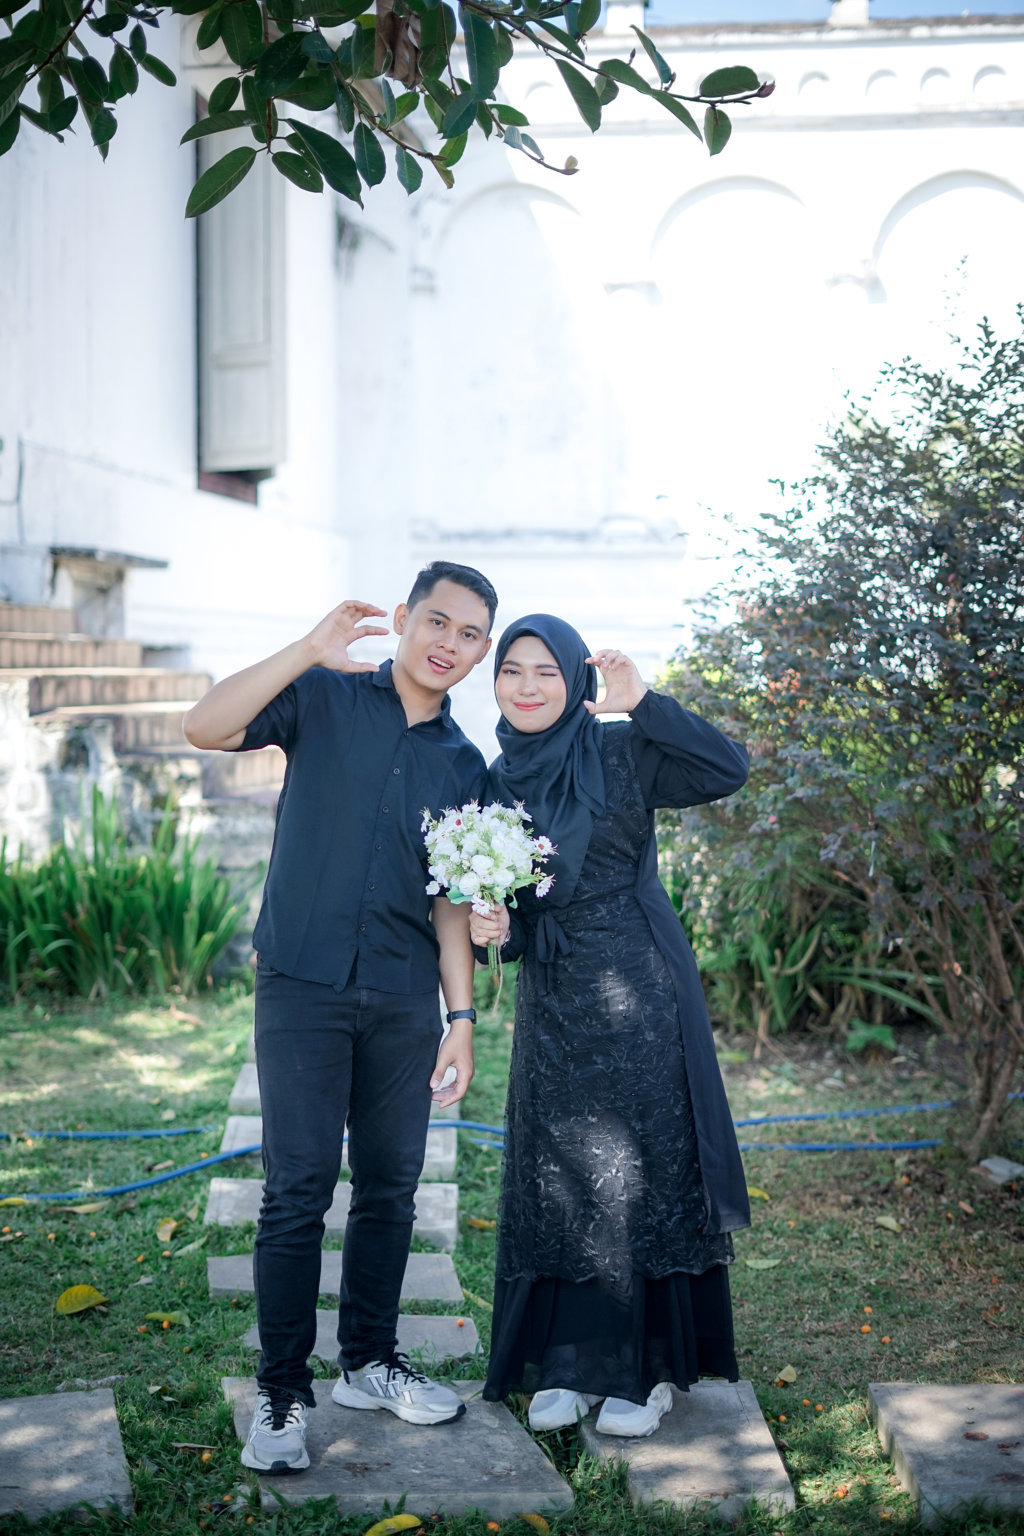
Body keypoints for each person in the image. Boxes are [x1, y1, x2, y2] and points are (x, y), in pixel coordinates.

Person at [183, 561, 497, 1475]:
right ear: (402, 619)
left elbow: (449, 904)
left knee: (392, 1187)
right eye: (436, 622)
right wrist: (306, 649)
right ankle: (282, 1392)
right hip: (301, 984)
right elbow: (203, 726)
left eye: (469, 634)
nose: (448, 644)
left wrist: (462, 1015)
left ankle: (369, 1360)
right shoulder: (321, 696)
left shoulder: (464, 764)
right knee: (298, 1190)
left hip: (402, 995)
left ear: (480, 652)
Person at [469, 614, 750, 1439]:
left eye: (546, 672)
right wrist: (497, 930)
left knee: (639, 1170)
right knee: (559, 1172)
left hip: (639, 987)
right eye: (512, 670)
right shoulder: (498, 779)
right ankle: (568, 1361)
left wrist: (645, 701)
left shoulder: (620, 749)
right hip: (554, 999)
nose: (526, 687)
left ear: (576, 681)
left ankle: (646, 1370)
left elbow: (727, 769)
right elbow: (515, 916)